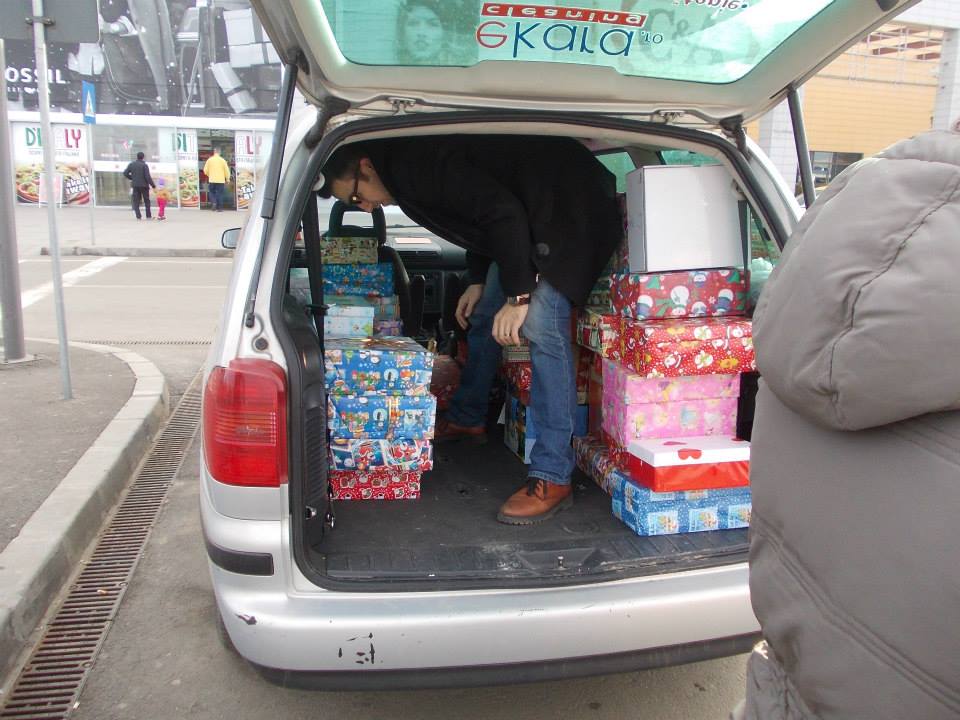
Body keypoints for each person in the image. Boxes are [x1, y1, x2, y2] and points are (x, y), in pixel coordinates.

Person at [318, 135, 622, 524]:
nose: (364, 206)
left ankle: (553, 475)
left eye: (356, 196)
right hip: (529, 217)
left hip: (570, 209)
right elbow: (480, 216)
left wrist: (519, 299)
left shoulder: (415, 165)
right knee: (483, 311)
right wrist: (477, 279)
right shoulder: (402, 175)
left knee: (542, 326)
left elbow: (501, 213)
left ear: (366, 166)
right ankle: (468, 416)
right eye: (354, 204)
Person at [123, 151, 155, 220]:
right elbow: (147, 177)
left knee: (136, 201)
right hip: (144, 186)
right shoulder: (144, 165)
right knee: (146, 201)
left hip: (135, 185)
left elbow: (125, 173)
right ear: (143, 157)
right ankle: (148, 216)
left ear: (137, 157)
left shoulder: (132, 164)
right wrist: (153, 185)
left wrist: (132, 178)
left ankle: (138, 216)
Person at [203, 147, 231, 212]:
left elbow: (205, 170)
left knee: (211, 192)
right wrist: (227, 179)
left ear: (214, 152)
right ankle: (220, 208)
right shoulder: (223, 160)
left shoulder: (209, 160)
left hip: (212, 180)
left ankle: (214, 202)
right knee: (220, 194)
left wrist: (209, 175)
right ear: (219, 152)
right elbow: (227, 171)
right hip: (221, 180)